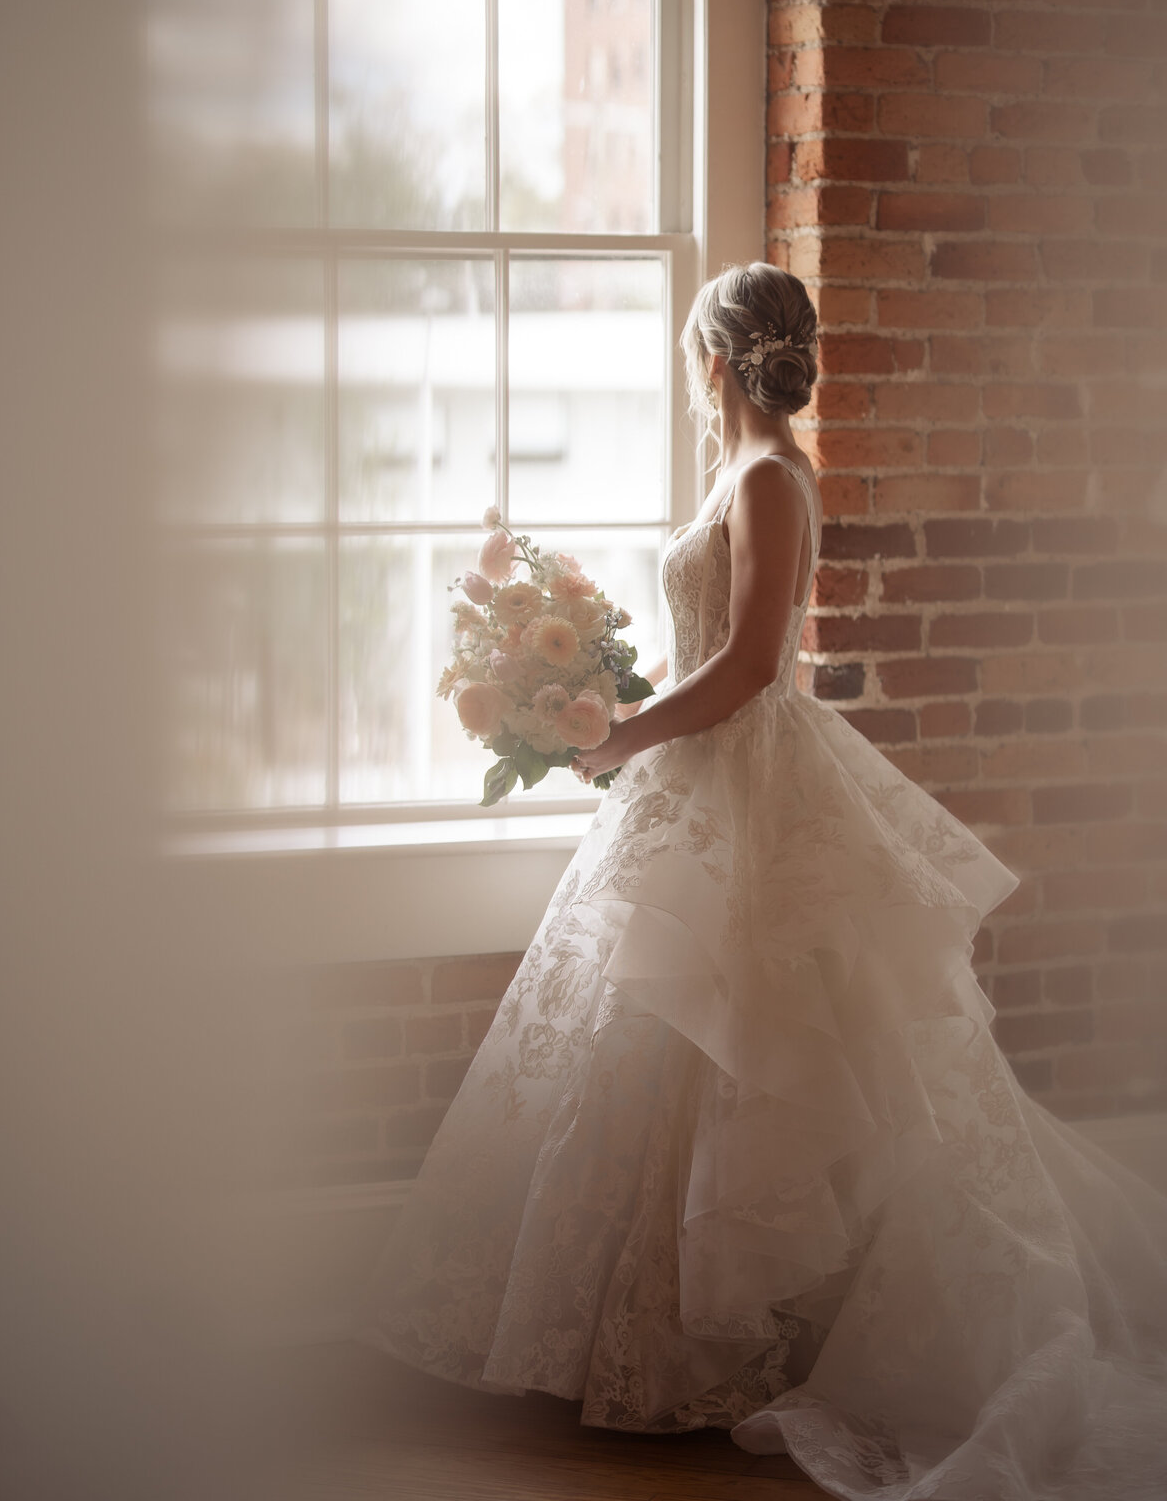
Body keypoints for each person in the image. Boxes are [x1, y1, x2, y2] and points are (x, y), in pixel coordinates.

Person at [362, 263, 1167, 1498]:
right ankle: (628, 1340)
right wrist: (619, 712)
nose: (692, 375)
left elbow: (746, 665)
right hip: (696, 781)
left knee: (752, 1046)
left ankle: (737, 1343)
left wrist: (623, 735)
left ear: (718, 362)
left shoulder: (769, 474)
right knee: (661, 1043)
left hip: (742, 778)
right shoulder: (744, 472)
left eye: (695, 355)